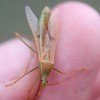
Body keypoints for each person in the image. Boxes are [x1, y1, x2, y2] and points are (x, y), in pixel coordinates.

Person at [0, 1, 100, 100]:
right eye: (45, 80)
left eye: (45, 80)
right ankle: (14, 82)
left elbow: (34, 85)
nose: (45, 80)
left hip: (44, 39)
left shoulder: (49, 66)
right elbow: (28, 80)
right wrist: (16, 83)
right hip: (44, 41)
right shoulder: (47, 67)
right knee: (28, 73)